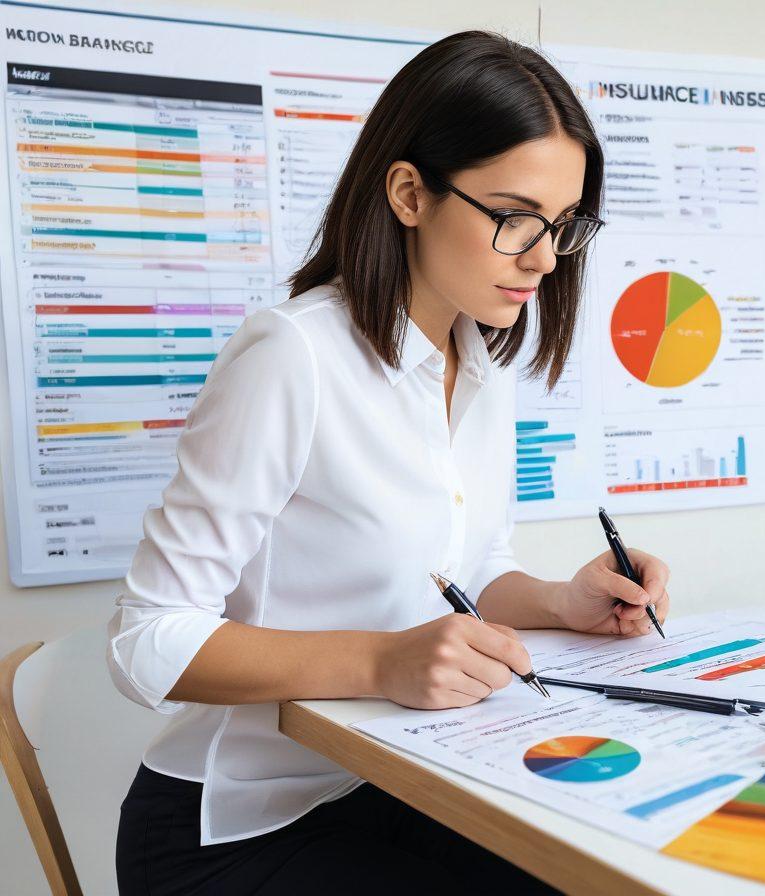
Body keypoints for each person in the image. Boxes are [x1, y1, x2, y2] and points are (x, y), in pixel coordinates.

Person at [107, 30, 671, 895]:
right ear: (410, 192)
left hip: (399, 781)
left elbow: (469, 568)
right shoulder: (293, 355)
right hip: (237, 829)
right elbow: (148, 641)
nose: (546, 257)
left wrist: (563, 602)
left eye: (564, 225)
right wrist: (381, 663)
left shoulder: (479, 361)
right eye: (515, 218)